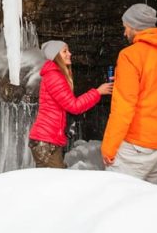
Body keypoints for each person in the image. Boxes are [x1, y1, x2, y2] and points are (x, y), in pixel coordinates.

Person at [101, 3, 157, 183]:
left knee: (117, 201)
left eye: (125, 27)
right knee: (148, 203)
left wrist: (109, 147)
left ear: (135, 26)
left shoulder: (131, 55)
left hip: (137, 146)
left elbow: (124, 106)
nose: (124, 32)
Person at [29, 40, 114, 168]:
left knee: (50, 183)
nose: (70, 53)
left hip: (48, 141)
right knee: (56, 183)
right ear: (56, 56)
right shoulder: (54, 76)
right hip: (46, 142)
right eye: (64, 51)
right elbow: (74, 106)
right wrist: (97, 92)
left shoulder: (54, 75)